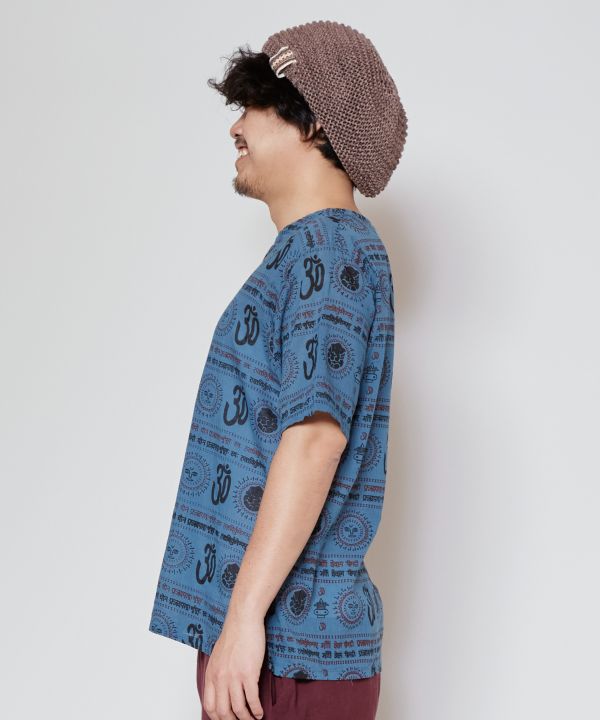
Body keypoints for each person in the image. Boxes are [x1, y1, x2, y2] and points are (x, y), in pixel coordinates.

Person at [148, 19, 407, 720]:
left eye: (255, 103)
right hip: (279, 645)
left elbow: (316, 437)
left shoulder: (329, 251)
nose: (235, 126)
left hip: (286, 648)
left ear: (315, 122)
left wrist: (241, 621)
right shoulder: (313, 252)